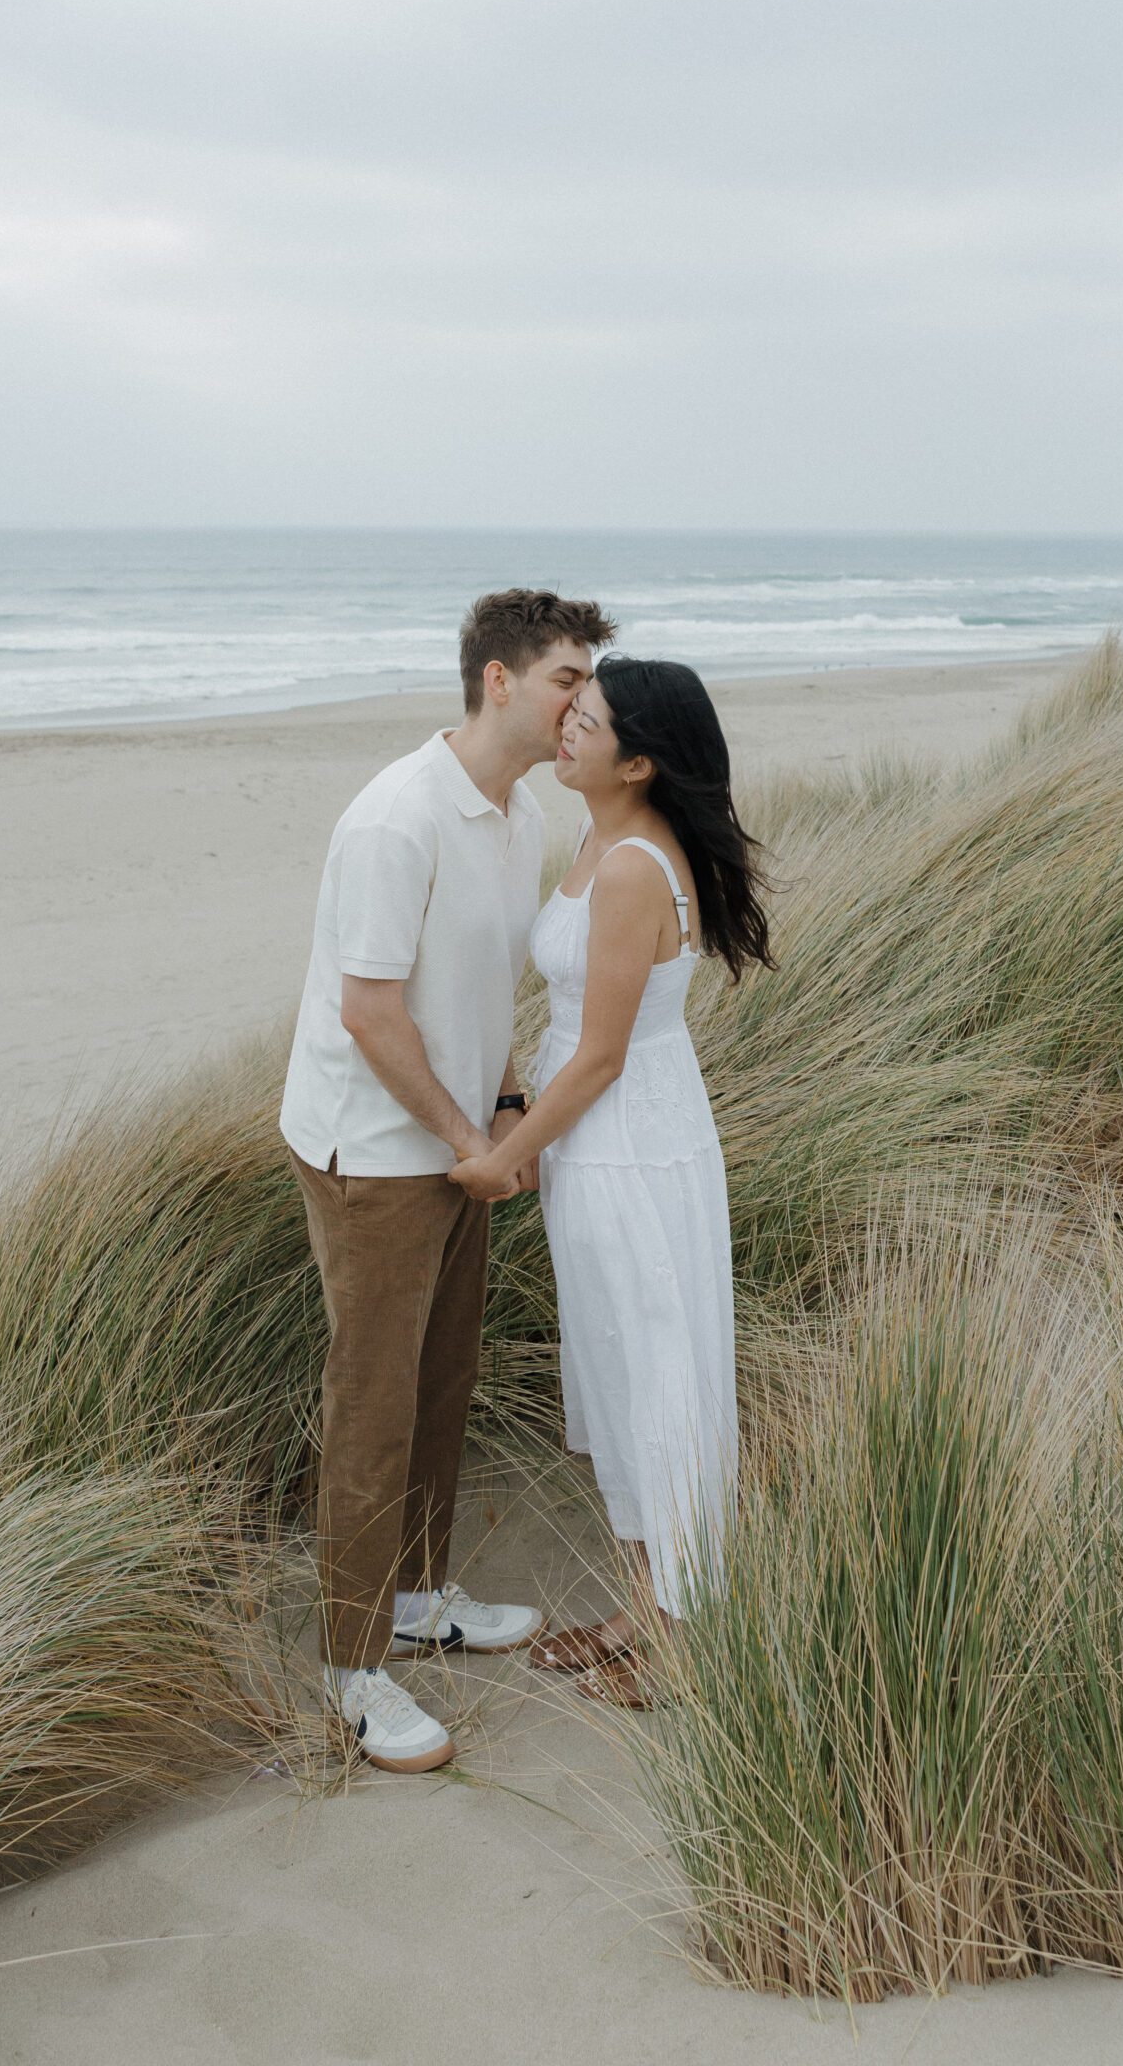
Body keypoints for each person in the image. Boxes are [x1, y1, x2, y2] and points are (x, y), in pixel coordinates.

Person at [281, 587, 616, 1773]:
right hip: (374, 1152)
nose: (586, 699)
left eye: (588, 679)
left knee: (443, 1377)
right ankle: (352, 1663)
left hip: (463, 1140)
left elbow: (474, 992)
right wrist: (462, 1140)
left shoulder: (519, 816)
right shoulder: (397, 820)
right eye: (569, 677)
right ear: (499, 682)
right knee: (372, 1404)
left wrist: (508, 1103)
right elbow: (370, 1013)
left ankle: (419, 1594)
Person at [452, 656, 772, 1706]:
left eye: (586, 722)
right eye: (570, 711)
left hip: (631, 1146)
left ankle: (684, 1638)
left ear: (637, 761)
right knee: (617, 1376)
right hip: (602, 1143)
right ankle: (646, 1604)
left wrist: (505, 1151)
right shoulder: (598, 836)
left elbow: (598, 1055)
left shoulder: (634, 865)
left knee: (658, 1383)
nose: (564, 731)